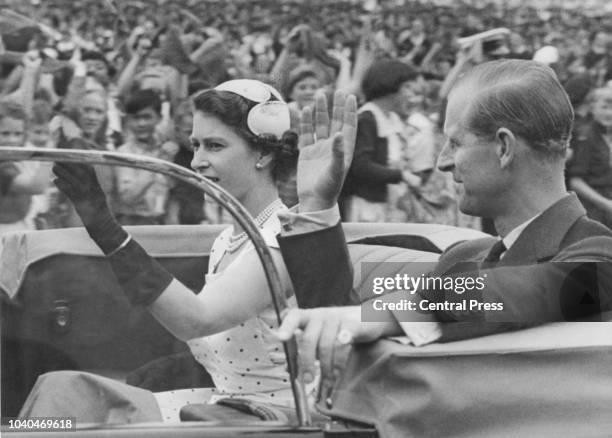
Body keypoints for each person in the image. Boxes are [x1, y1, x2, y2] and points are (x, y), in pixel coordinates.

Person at [273, 59, 612, 388]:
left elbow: (523, 291)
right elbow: (341, 330)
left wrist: (388, 312)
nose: (442, 162)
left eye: (455, 142)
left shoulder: (597, 255)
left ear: (505, 147)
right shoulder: (461, 258)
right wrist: (317, 206)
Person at [18, 79, 327, 423]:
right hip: (223, 408)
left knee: (77, 403)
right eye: (195, 145)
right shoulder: (227, 240)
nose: (197, 162)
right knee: (64, 389)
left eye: (214, 146)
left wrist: (105, 228)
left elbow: (197, 319)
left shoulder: (284, 236)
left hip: (270, 419)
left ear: (264, 154)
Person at [344, 59, 435, 222]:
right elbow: (360, 165)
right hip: (369, 206)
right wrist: (401, 175)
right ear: (390, 88)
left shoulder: (393, 118)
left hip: (392, 205)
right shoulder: (367, 119)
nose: (409, 94)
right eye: (406, 87)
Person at [567, 86, 612, 229]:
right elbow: (576, 182)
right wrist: (606, 204)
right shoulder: (585, 137)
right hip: (594, 210)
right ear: (592, 108)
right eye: (604, 107)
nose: (609, 113)